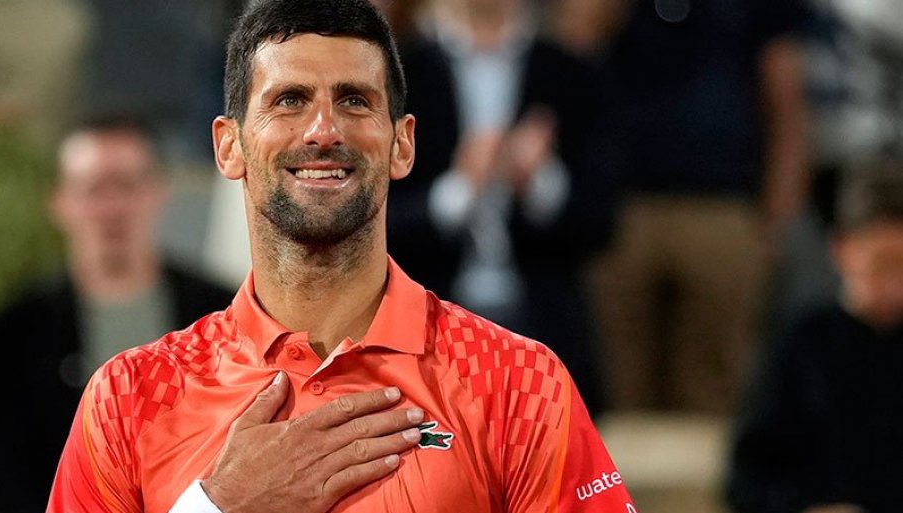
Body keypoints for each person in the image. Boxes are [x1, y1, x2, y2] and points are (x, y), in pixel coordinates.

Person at [46, 1, 636, 512]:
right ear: (229, 146)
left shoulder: (519, 384)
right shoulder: (129, 396)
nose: (323, 130)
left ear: (403, 143)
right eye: (289, 100)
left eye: (354, 101)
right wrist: (218, 503)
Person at [386, 0, 615, 415]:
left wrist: (541, 183)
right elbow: (376, 220)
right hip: (427, 324)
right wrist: (457, 192)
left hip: (544, 324)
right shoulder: (402, 72)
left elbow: (601, 222)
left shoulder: (569, 73)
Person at [0, 115, 233, 512]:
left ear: (158, 191)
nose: (112, 208)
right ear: (59, 201)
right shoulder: (17, 335)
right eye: (94, 189)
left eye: (126, 185)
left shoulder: (222, 314)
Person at [590, 0, 811, 414]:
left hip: (725, 208)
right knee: (614, 383)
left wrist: (780, 217)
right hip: (621, 211)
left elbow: (786, 99)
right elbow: (573, 47)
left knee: (714, 385)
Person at [726, 158, 903, 513]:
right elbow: (747, 479)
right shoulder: (803, 342)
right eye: (882, 264)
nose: (897, 285)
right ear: (842, 250)